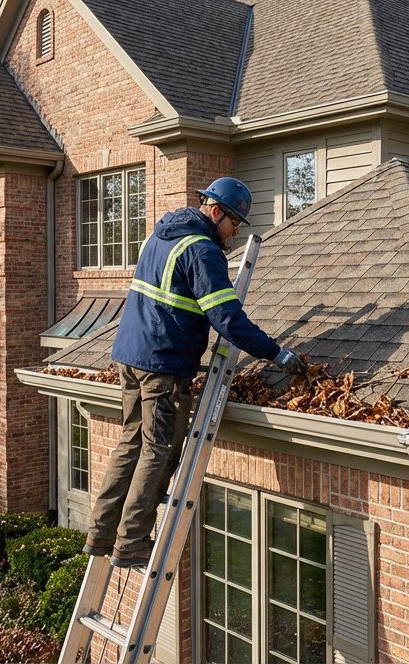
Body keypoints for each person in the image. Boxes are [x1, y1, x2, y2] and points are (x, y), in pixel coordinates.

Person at [85, 176, 303, 568]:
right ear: (216, 211)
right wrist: (276, 353)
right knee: (159, 449)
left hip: (130, 357)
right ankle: (131, 543)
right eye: (234, 222)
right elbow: (227, 318)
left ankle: (101, 533)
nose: (235, 233)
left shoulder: (162, 235)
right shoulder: (201, 250)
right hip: (163, 365)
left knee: (131, 443)